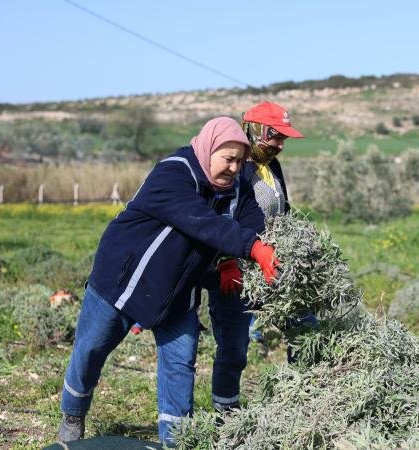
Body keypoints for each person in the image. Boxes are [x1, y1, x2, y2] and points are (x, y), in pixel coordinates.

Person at [58, 117, 279, 446]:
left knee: (180, 363)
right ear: (207, 149)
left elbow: (252, 221)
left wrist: (247, 254)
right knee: (90, 350)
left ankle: (176, 441)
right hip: (124, 280)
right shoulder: (174, 172)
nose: (234, 168)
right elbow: (202, 222)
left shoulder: (238, 187)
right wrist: (251, 248)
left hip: (178, 291)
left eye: (239, 161)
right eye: (227, 159)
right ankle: (73, 414)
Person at [206, 102, 316, 414]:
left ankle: (302, 401)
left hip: (272, 268)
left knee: (305, 328)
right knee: (234, 350)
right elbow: (218, 216)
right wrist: (224, 259)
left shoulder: (271, 166)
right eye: (276, 137)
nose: (280, 145)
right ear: (255, 130)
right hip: (236, 271)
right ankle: (226, 418)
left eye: (284, 139)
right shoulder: (235, 168)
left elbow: (282, 212)